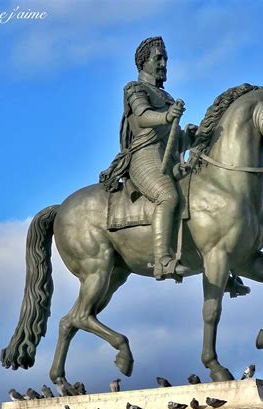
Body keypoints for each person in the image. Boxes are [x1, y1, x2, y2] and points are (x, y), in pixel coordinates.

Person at [100, 36, 195, 282]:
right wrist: (166, 117)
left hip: (168, 159)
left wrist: (191, 137)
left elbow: (173, 140)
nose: (163, 63)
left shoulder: (167, 96)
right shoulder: (135, 89)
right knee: (167, 196)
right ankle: (162, 260)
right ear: (143, 63)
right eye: (158, 58)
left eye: (165, 58)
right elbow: (143, 118)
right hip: (144, 158)